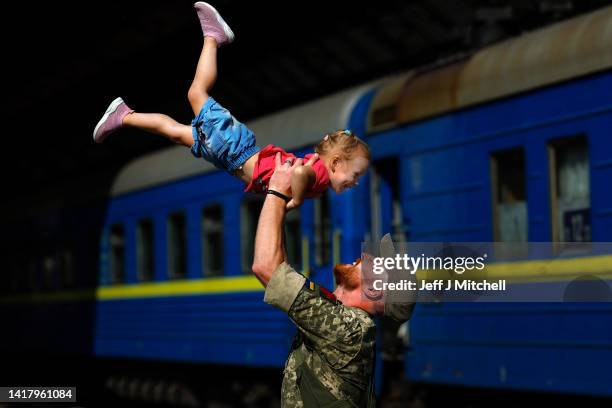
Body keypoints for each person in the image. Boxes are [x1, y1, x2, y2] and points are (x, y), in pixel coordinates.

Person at [92, 2, 370, 210]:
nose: (354, 182)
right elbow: (299, 172)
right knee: (196, 93)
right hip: (235, 148)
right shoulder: (319, 176)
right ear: (334, 163)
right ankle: (214, 37)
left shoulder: (320, 180)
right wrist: (295, 200)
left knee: (176, 133)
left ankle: (124, 115)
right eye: (354, 174)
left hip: (228, 157)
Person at [251, 154, 416, 407]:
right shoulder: (344, 318)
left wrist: (276, 191)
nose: (364, 256)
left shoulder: (347, 329)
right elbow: (279, 267)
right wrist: (280, 208)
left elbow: (266, 268)